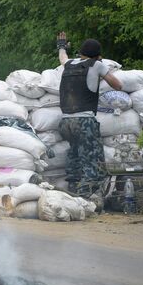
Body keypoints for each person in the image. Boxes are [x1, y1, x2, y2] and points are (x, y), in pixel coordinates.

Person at [56, 32, 122, 200]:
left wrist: (62, 45)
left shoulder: (69, 63)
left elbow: (62, 57)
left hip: (65, 122)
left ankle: (72, 191)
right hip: (84, 120)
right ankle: (85, 197)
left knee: (75, 154)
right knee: (92, 160)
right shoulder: (97, 65)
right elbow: (118, 85)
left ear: (80, 52)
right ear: (98, 55)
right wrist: (101, 71)